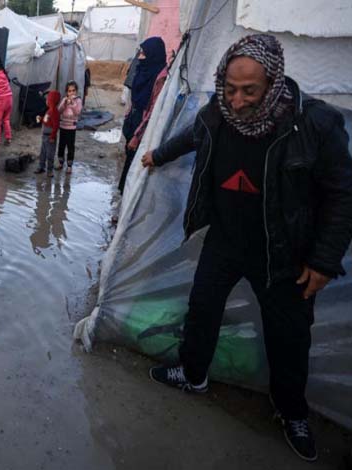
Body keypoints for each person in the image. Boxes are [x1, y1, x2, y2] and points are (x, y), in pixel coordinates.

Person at [141, 34, 352, 462]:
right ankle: (194, 373)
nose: (236, 101)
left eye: (249, 91)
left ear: (273, 81)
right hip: (226, 238)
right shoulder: (218, 111)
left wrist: (324, 260)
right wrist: (156, 155)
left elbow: (342, 194)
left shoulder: (315, 123)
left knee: (289, 336)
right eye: (230, 89)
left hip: (284, 252)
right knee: (202, 308)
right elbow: (193, 135)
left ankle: (291, 411)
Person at [119, 37, 166, 192]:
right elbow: (133, 99)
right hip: (133, 120)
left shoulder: (159, 79)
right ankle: (123, 200)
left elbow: (152, 111)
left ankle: (128, 206)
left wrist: (137, 136)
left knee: (135, 165)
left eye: (143, 54)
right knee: (129, 159)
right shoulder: (142, 72)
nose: (139, 57)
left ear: (153, 55)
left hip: (143, 127)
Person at [55, 81, 83, 174]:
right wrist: (65, 103)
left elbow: (77, 112)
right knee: (61, 146)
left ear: (76, 91)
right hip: (63, 126)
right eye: (69, 91)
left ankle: (69, 166)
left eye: (73, 91)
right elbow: (59, 110)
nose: (71, 93)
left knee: (70, 147)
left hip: (72, 127)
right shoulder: (64, 99)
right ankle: (60, 162)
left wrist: (72, 104)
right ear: (67, 92)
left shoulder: (78, 100)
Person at [33, 90, 61, 177]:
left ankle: (49, 170)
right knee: (43, 153)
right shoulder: (49, 111)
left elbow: (56, 126)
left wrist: (52, 136)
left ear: (51, 101)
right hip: (44, 136)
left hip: (50, 137)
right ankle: (41, 167)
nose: (46, 101)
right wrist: (40, 119)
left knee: (50, 154)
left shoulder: (54, 112)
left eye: (48, 99)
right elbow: (46, 121)